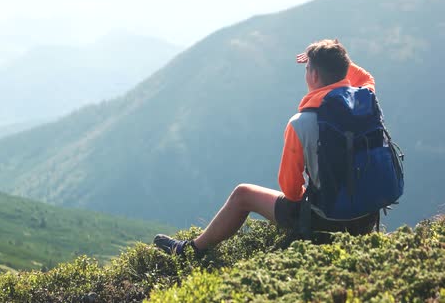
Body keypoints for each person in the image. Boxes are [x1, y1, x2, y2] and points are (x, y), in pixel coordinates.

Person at [154, 39, 382, 255]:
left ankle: (189, 251)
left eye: (308, 69)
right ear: (343, 70)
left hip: (328, 219)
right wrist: (334, 60)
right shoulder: (366, 99)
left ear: (313, 74)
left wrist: (308, 199)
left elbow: (291, 191)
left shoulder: (302, 123)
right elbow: (365, 76)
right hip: (367, 215)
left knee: (243, 194)